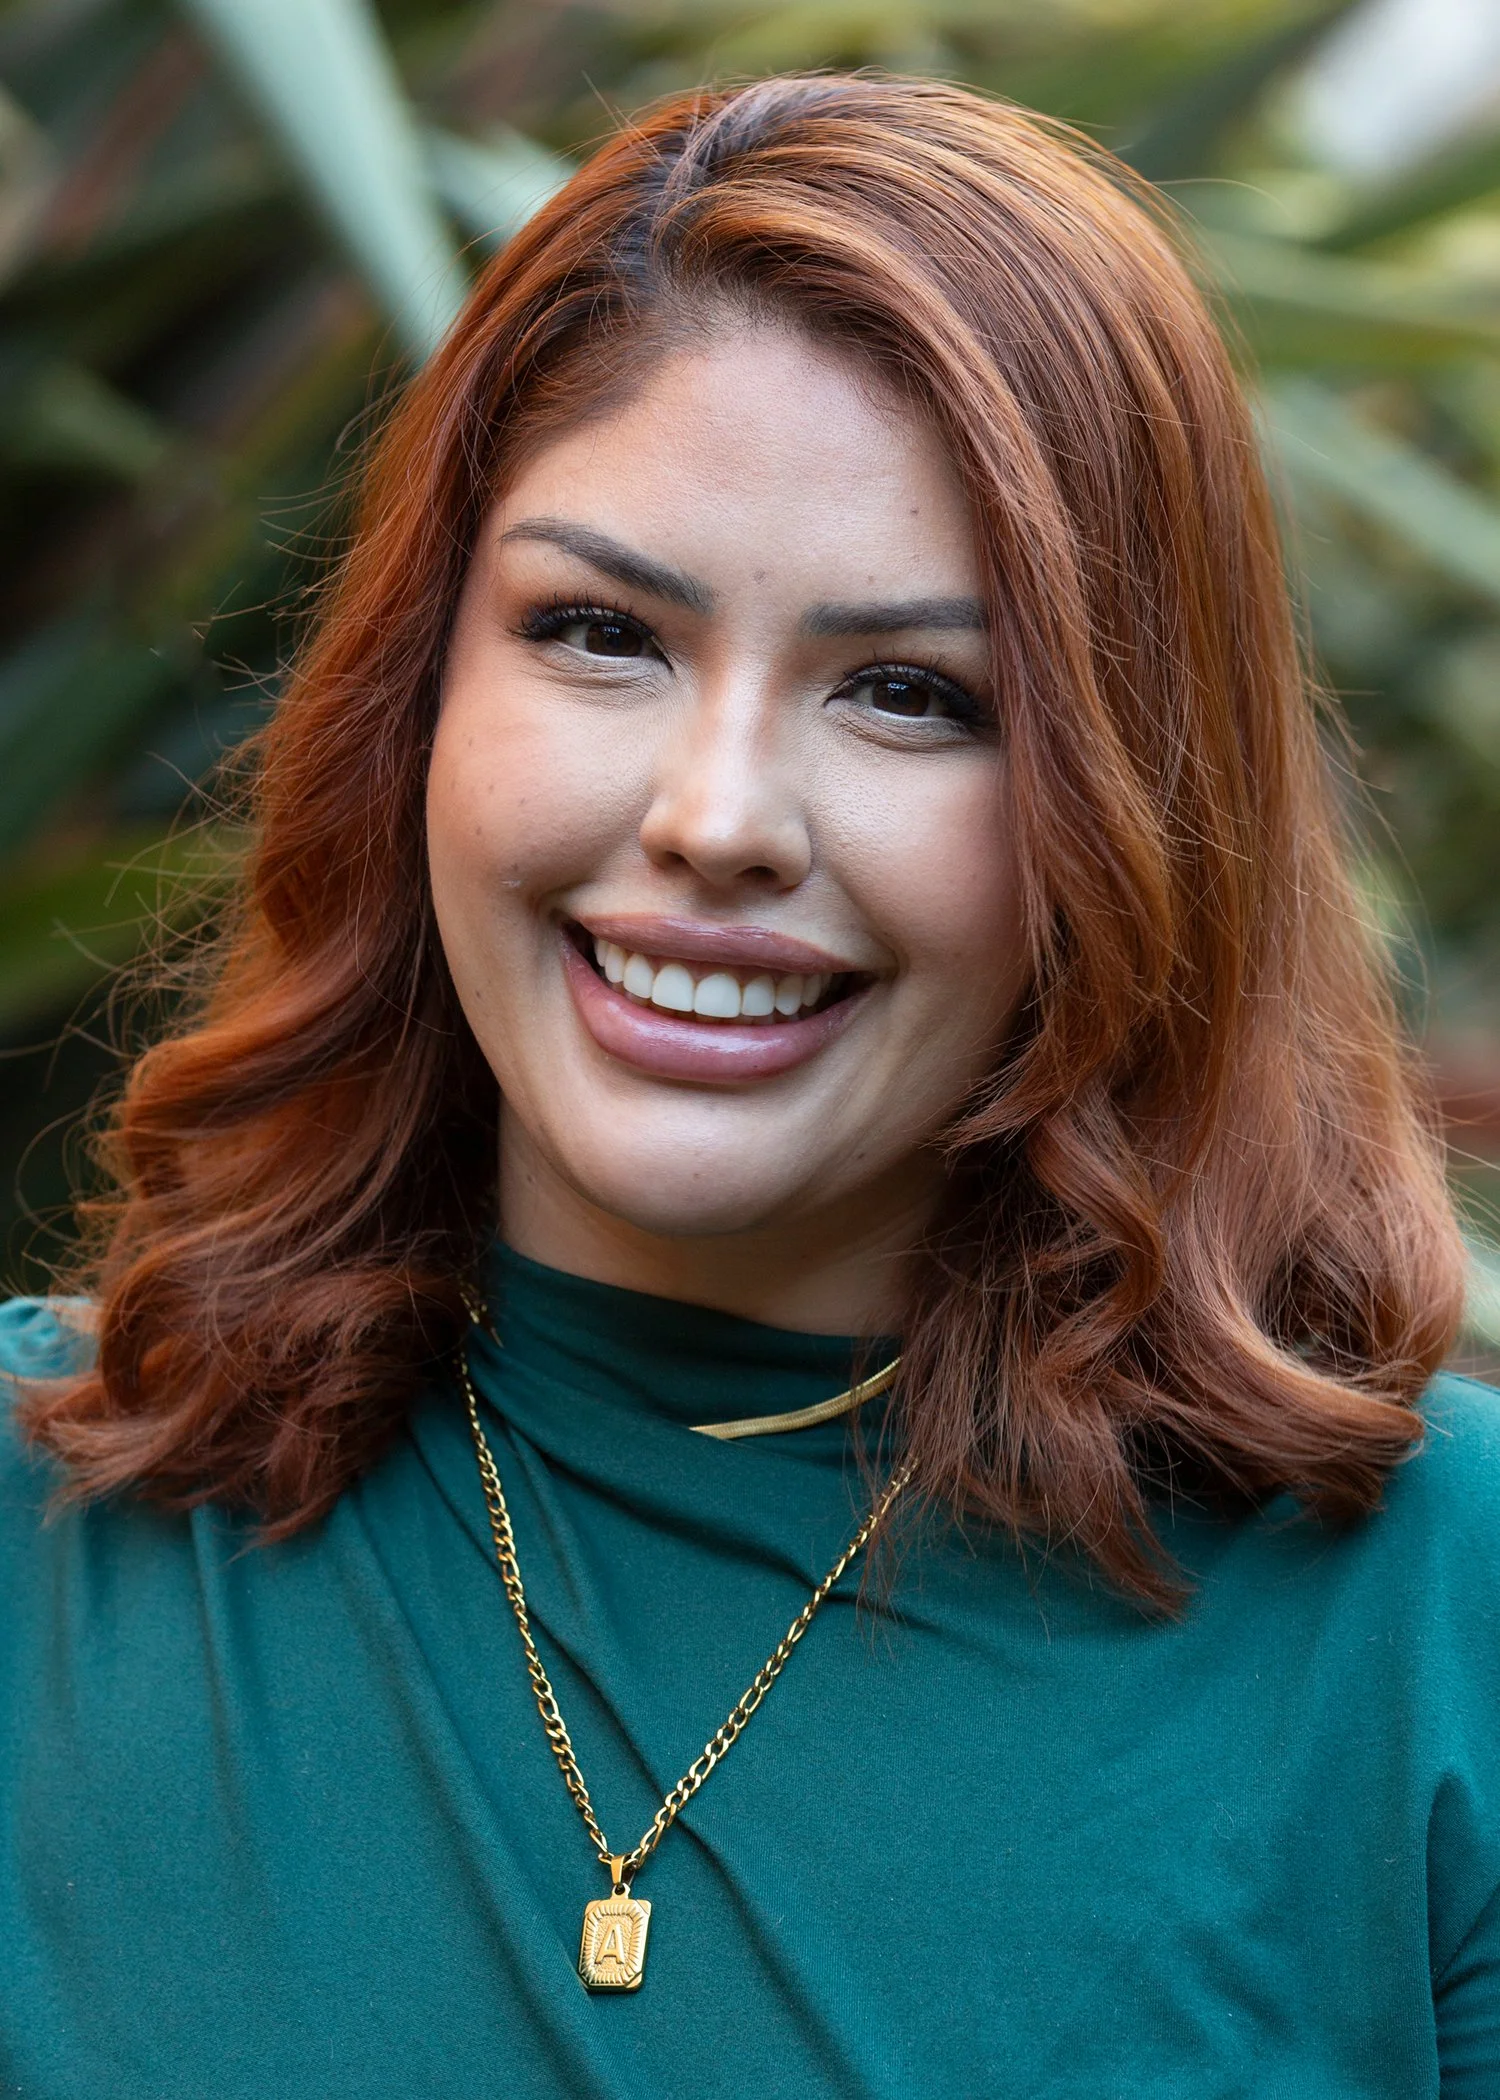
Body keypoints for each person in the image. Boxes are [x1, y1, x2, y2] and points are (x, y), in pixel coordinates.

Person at [0, 71, 1495, 2098]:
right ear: (419, 699)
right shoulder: (41, 1539)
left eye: (911, 693)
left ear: (1137, 806)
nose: (715, 820)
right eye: (600, 632)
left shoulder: (1433, 1630)